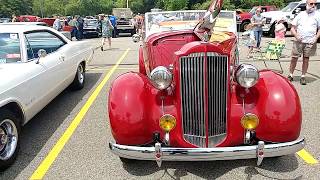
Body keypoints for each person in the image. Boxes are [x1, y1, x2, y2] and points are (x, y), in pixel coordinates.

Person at [288, 0, 320, 85]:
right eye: (311, 4)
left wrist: (316, 38)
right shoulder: (301, 14)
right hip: (299, 41)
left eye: (315, 4)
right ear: (306, 4)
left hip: (310, 42)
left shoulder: (317, 15)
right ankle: (290, 75)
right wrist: (296, 36)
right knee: (294, 58)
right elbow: (292, 27)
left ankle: (303, 76)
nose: (313, 5)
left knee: (306, 59)